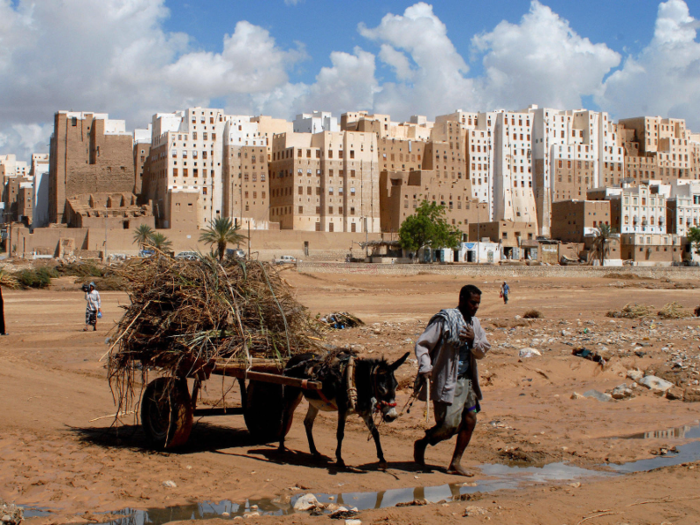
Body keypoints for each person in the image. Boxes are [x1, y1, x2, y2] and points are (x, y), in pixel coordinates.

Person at [413, 284, 490, 476]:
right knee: (449, 425)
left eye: (478, 303)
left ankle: (455, 462)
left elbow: (483, 351)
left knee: (471, 419)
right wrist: (425, 366)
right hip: (448, 381)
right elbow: (422, 345)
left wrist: (473, 340)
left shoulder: (475, 324)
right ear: (462, 299)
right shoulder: (444, 320)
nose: (476, 307)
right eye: (473, 302)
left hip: (468, 382)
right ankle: (425, 441)